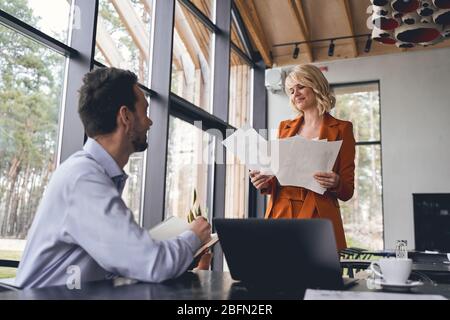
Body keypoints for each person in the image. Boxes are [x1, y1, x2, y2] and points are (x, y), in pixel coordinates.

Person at [15, 67, 211, 289]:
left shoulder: (92, 174)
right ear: (126, 117)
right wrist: (193, 235)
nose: (149, 122)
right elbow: (154, 264)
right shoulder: (84, 179)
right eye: (145, 112)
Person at [249, 64, 355, 250]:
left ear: (316, 86)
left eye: (301, 87)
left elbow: (347, 191)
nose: (295, 93)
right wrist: (265, 182)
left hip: (318, 214)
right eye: (291, 90)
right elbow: (279, 173)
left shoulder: (342, 128)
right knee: (278, 276)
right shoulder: (285, 127)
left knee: (315, 278)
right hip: (280, 211)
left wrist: (336, 182)